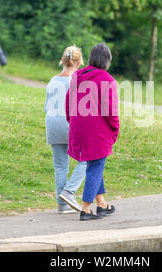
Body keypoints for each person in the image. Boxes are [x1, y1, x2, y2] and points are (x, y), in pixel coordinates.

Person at [65, 42, 120, 221]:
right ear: (107, 60)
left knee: (95, 163)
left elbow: (68, 102)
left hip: (77, 126)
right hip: (97, 130)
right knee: (96, 165)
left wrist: (71, 121)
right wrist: (115, 128)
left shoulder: (77, 76)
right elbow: (110, 110)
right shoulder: (106, 79)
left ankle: (101, 203)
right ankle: (86, 208)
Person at [45, 45, 87, 214]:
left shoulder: (52, 81)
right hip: (70, 124)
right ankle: (69, 191)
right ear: (80, 63)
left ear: (62, 60)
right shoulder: (78, 80)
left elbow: (46, 106)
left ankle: (61, 205)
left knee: (60, 166)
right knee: (86, 160)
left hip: (52, 123)